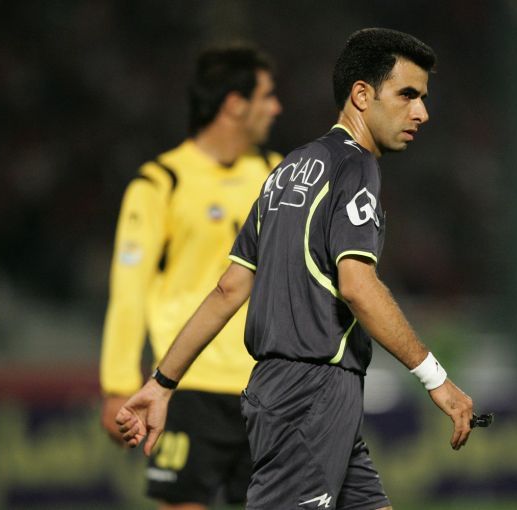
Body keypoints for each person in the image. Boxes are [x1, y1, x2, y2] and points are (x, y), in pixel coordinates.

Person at [116, 28, 474, 510]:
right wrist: (436, 379)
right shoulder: (355, 168)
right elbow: (358, 286)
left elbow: (229, 289)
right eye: (407, 95)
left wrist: (162, 384)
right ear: (362, 95)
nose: (421, 112)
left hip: (289, 390)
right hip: (310, 393)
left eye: (423, 98)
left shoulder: (285, 171)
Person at [99, 44, 282, 509]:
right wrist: (118, 386)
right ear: (235, 104)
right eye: (266, 96)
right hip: (187, 383)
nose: (276, 108)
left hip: (268, 385)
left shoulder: (278, 176)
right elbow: (128, 291)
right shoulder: (161, 183)